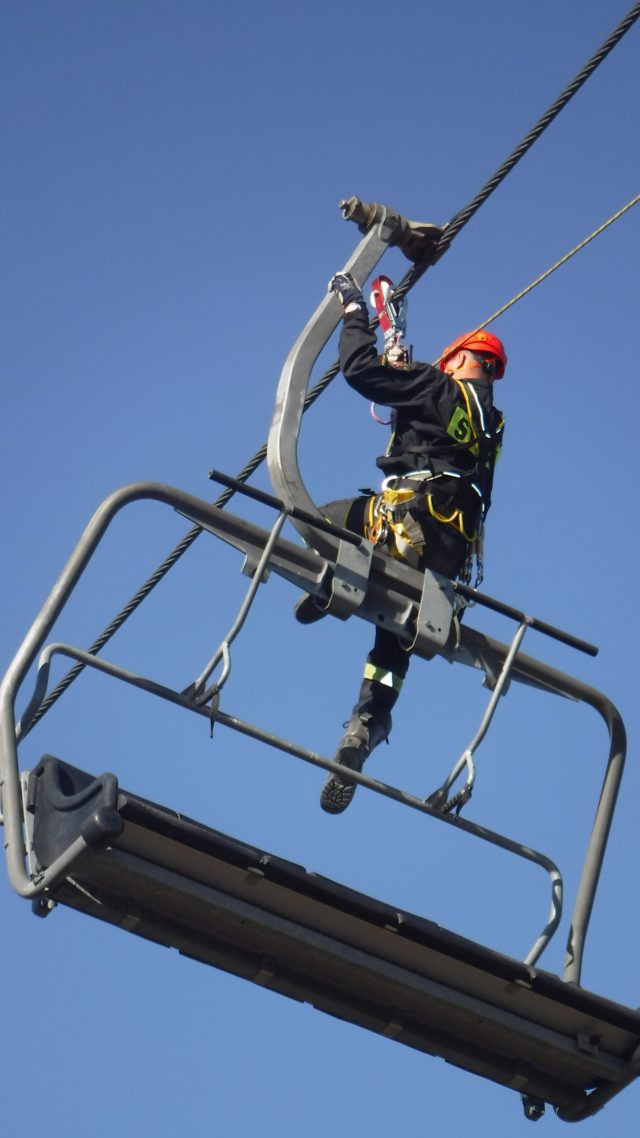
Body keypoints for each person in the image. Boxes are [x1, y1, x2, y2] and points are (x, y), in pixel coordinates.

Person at [304, 271, 507, 814]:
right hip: (447, 558)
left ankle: (328, 580)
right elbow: (442, 449)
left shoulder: (439, 387)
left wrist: (354, 314)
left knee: (313, 518)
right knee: (392, 640)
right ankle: (366, 725)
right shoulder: (493, 424)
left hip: (407, 525)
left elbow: (360, 371)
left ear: (463, 359)